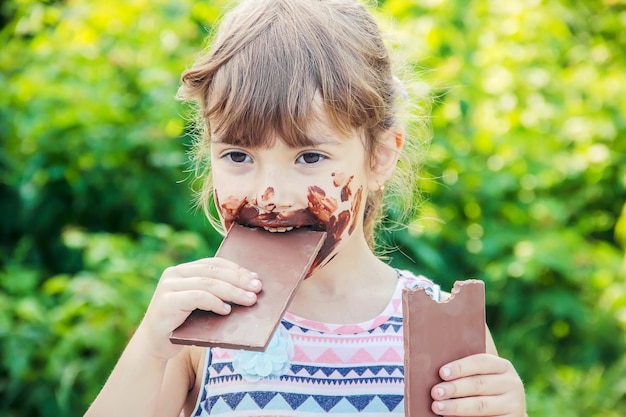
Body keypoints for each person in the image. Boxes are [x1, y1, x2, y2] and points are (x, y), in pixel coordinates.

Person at [85, 0, 526, 416]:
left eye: (309, 157)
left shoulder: (435, 324)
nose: (269, 197)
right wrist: (150, 347)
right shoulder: (200, 325)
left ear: (380, 158)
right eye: (238, 156)